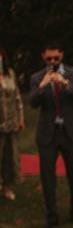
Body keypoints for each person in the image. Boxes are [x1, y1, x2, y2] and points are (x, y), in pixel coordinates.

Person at [30, 43, 73, 227]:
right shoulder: (36, 77)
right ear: (43, 57)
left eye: (56, 58)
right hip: (48, 134)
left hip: (70, 133)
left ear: (61, 55)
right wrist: (42, 86)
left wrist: (66, 84)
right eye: (49, 59)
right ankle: (51, 216)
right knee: (47, 178)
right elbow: (32, 103)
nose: (53, 61)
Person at [0, 46, 24, 201]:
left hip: (11, 122)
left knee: (9, 156)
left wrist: (20, 118)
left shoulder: (10, 74)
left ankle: (7, 187)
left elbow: (17, 98)